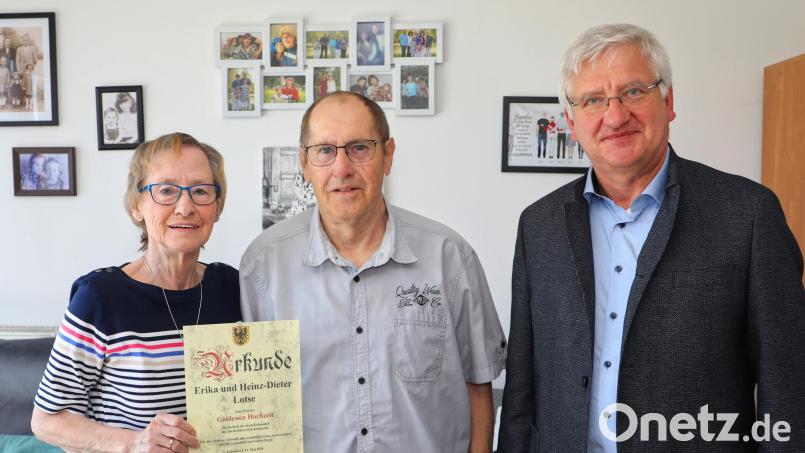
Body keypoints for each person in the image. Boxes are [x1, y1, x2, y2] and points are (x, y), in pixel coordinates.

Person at [498, 23, 805, 453]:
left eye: (634, 91)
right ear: (571, 120)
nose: (615, 115)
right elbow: (522, 386)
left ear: (669, 101)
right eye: (593, 100)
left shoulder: (747, 214)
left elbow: (788, 386)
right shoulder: (539, 225)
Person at [240, 92, 507, 453]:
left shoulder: (449, 258)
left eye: (359, 148)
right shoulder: (263, 267)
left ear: (388, 155)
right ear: (304, 163)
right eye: (324, 151)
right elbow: (250, 404)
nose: (342, 168)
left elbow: (479, 384)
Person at [31, 132, 241, 452]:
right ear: (136, 206)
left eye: (200, 191)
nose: (185, 207)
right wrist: (134, 443)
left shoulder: (232, 287)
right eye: (166, 191)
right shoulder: (100, 298)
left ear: (217, 208)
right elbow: (46, 420)